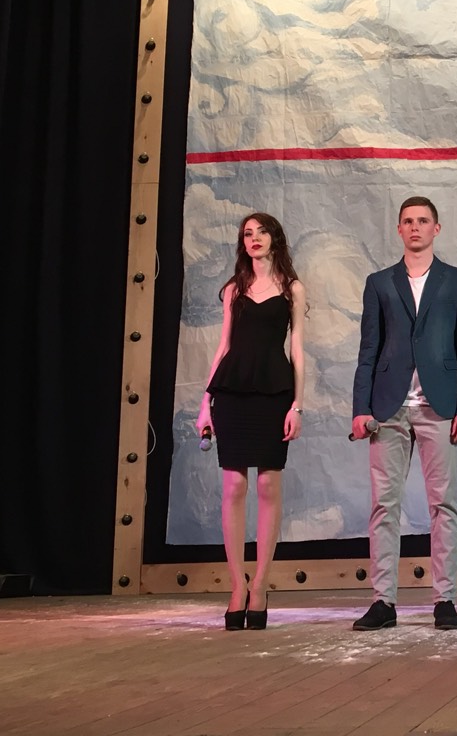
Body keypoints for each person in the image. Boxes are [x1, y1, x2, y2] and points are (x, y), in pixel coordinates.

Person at [351, 196, 457, 631]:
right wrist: (361, 408)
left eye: (423, 220)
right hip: (387, 408)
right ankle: (383, 601)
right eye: (408, 221)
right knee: (383, 505)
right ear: (399, 229)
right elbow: (368, 350)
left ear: (436, 228)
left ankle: (445, 600)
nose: (415, 227)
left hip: (439, 407)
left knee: (444, 504)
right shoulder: (379, 282)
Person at [196, 212, 307, 631]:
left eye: (262, 232)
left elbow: (297, 349)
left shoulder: (292, 288)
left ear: (275, 238)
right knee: (234, 484)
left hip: (274, 391)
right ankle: (236, 586)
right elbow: (223, 346)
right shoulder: (234, 289)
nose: (254, 238)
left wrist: (297, 405)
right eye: (247, 233)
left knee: (267, 484)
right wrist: (205, 403)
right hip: (232, 391)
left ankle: (260, 585)